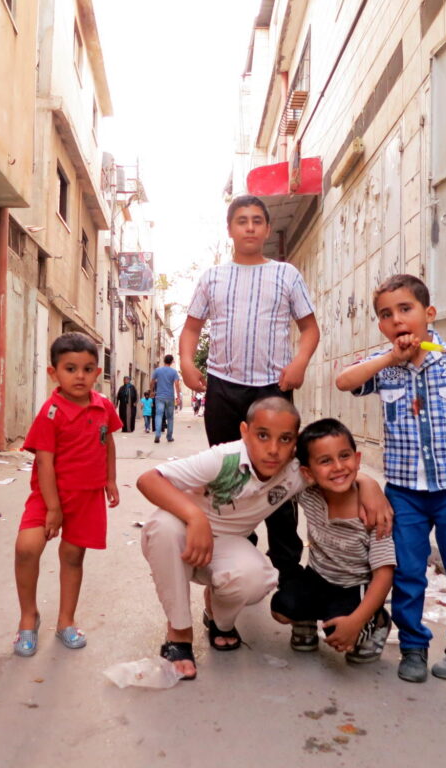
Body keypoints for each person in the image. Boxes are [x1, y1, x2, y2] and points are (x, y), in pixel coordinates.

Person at [136, 397, 392, 679]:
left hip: (226, 545)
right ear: (245, 432)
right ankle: (179, 633)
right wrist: (195, 517)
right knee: (163, 527)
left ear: (295, 442)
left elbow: (336, 472)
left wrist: (368, 484)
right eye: (262, 436)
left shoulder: (296, 472)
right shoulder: (223, 459)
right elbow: (149, 479)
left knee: (256, 577)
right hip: (184, 535)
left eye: (285, 439)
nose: (273, 450)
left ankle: (219, 620)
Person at [336, 274, 446, 683]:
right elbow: (344, 381)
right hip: (405, 493)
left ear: (428, 314)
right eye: (386, 315)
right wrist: (388, 359)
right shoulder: (384, 367)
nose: (397, 320)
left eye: (405, 309)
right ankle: (413, 646)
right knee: (407, 570)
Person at [179, 194, 320, 586]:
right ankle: (233, 565)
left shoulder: (286, 275)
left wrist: (300, 363)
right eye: (242, 221)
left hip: (272, 391)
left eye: (257, 220)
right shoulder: (212, 278)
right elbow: (191, 328)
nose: (250, 227)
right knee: (229, 480)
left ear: (267, 228)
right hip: (224, 390)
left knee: (278, 478)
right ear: (230, 230)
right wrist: (189, 363)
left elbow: (310, 328)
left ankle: (289, 577)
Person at [13, 332, 121, 657]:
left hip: (88, 496)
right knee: (27, 548)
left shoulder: (103, 406)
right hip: (49, 497)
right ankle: (28, 617)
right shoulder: (51, 412)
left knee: (73, 556)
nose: (80, 376)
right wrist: (53, 508)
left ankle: (66, 621)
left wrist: (110, 480)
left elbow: (108, 443)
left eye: (88, 369)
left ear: (96, 373)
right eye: (71, 368)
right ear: (53, 373)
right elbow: (44, 462)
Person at [270, 419, 395, 664]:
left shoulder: (373, 512)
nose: (338, 467)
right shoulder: (308, 493)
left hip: (354, 587)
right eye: (325, 461)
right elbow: (281, 465)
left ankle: (377, 622)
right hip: (318, 578)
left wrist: (356, 621)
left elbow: (384, 574)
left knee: (344, 638)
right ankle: (304, 620)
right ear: (308, 472)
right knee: (281, 606)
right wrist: (366, 481)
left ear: (357, 460)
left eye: (344, 456)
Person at [151, 354, 181, 443]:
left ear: (164, 360)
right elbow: (177, 384)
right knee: (170, 417)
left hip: (159, 396)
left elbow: (152, 382)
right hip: (170, 397)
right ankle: (169, 437)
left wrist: (151, 391)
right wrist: (178, 397)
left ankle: (157, 434)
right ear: (171, 362)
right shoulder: (174, 372)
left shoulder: (157, 370)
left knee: (159, 415)